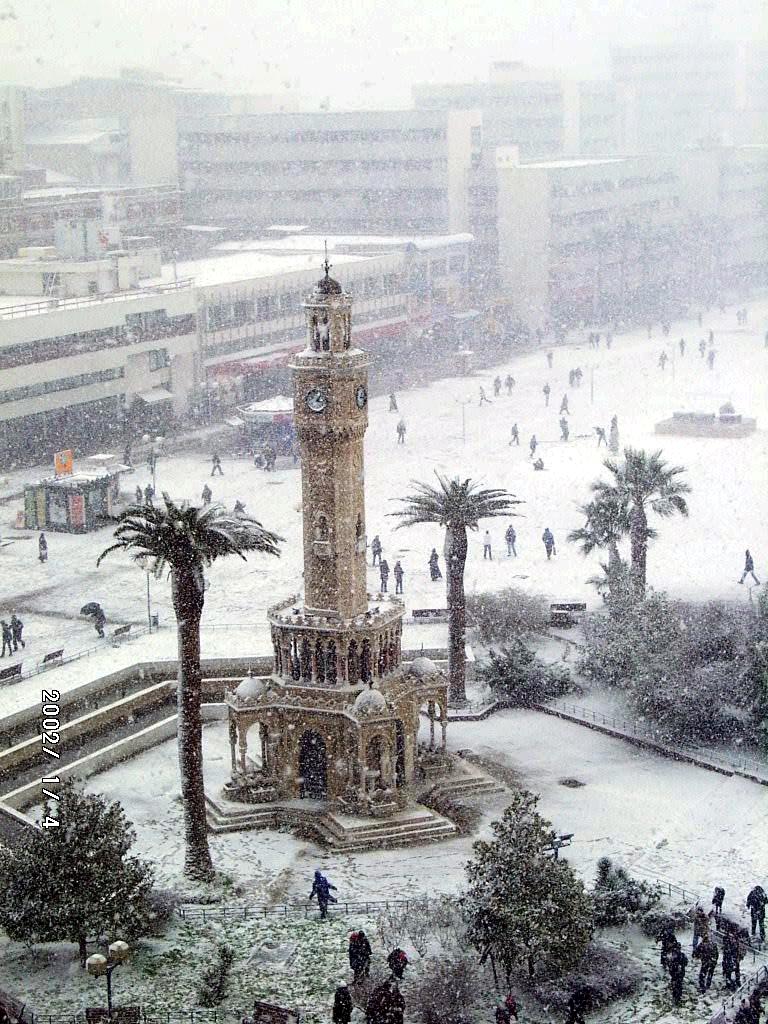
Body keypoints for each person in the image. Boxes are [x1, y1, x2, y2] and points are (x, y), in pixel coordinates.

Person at [722, 924, 742, 990]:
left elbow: (737, 948)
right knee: (731, 970)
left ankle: (734, 981)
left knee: (733, 970)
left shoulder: (732, 938)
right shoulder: (728, 938)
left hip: (732, 957)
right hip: (731, 957)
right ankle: (732, 982)